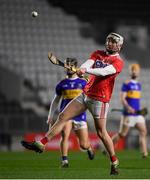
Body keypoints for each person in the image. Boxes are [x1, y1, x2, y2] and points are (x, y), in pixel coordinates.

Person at [21, 32, 124, 175]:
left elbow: (104, 72)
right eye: (109, 40)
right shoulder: (98, 53)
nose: (110, 43)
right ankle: (41, 144)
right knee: (63, 116)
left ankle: (114, 161)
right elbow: (87, 63)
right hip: (85, 95)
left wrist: (86, 70)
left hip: (100, 99)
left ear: (119, 45)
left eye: (113, 41)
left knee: (101, 132)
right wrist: (82, 69)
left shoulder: (118, 62)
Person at [47, 57, 94, 168]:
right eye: (66, 64)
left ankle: (89, 148)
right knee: (64, 136)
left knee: (83, 144)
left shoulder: (83, 82)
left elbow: (89, 99)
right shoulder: (62, 84)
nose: (67, 67)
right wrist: (50, 115)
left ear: (75, 66)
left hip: (80, 115)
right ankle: (65, 161)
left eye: (70, 64)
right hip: (66, 115)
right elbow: (55, 101)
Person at [112, 63, 149, 158]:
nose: (134, 71)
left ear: (138, 72)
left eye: (136, 70)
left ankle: (144, 153)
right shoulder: (127, 84)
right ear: (130, 71)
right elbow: (122, 99)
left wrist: (139, 109)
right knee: (122, 134)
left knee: (143, 131)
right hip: (128, 114)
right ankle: (108, 148)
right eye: (132, 69)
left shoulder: (139, 85)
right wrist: (129, 108)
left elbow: (136, 101)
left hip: (137, 114)